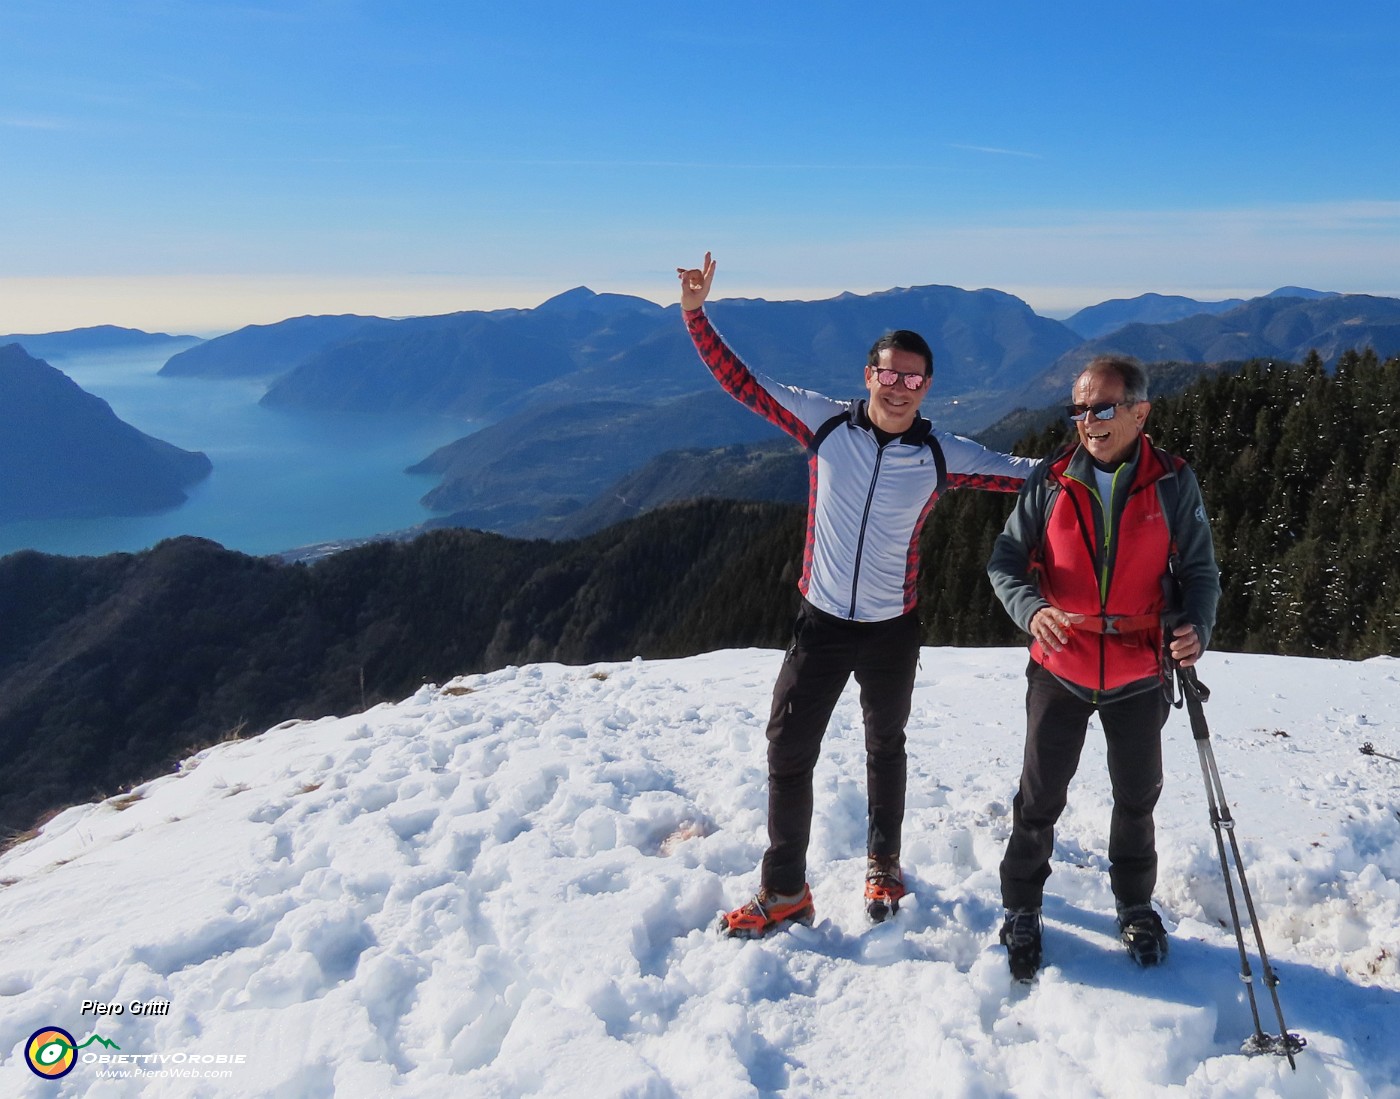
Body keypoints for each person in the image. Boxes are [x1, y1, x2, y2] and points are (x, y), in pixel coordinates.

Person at [677, 252, 1040, 937]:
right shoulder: (823, 425)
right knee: (788, 749)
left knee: (885, 744)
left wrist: (1105, 453)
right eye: (887, 372)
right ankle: (784, 888)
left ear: (927, 385)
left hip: (892, 628)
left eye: (912, 376)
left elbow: (1026, 476)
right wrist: (697, 314)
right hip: (819, 622)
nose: (898, 386)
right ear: (867, 375)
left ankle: (884, 862)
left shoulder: (941, 455)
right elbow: (743, 384)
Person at [986, 354, 1220, 980]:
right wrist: (1031, 610)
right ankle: (1022, 906)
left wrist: (1198, 627)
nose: (1088, 420)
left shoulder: (1173, 482)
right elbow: (1006, 558)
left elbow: (1199, 572)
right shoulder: (1054, 477)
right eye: (1080, 408)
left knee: (1137, 798)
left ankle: (1135, 903)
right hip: (1059, 664)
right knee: (1039, 797)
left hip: (1140, 669)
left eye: (1103, 407)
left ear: (1140, 413)